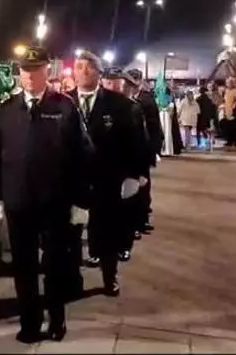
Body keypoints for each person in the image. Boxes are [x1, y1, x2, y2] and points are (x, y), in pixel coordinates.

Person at [0, 46, 92, 343]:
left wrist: (81, 201)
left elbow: (82, 156)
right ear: (19, 73)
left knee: (55, 265)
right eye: (25, 70)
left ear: (47, 71)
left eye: (36, 70)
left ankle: (57, 319)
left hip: (54, 202)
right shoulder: (6, 112)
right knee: (24, 267)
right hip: (18, 202)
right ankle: (29, 323)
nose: (30, 76)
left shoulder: (64, 108)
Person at [66, 51, 142, 298]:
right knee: (70, 235)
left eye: (89, 67)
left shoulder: (118, 104)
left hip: (106, 179)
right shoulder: (63, 102)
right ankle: (72, 280)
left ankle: (110, 277)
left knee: (106, 232)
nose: (83, 71)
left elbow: (133, 141)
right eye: (79, 67)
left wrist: (133, 175)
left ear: (99, 73)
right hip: (72, 180)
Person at [106, 68, 152, 260]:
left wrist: (140, 171)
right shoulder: (99, 106)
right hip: (104, 167)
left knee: (125, 209)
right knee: (105, 211)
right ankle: (101, 248)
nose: (113, 86)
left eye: (116, 83)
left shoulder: (133, 108)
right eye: (109, 82)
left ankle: (124, 245)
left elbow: (141, 140)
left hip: (126, 167)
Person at [126, 69, 162, 233]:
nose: (132, 84)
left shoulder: (146, 100)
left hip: (144, 150)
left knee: (142, 186)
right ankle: (136, 220)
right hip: (130, 151)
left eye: (135, 80)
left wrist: (154, 150)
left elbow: (154, 127)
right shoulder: (124, 99)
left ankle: (141, 220)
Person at [222, 77, 236, 146]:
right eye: (227, 83)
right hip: (227, 110)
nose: (228, 84)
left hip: (233, 110)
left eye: (229, 83)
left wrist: (234, 108)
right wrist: (224, 110)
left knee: (234, 126)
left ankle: (235, 141)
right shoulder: (226, 91)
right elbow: (225, 101)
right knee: (228, 126)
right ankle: (229, 141)